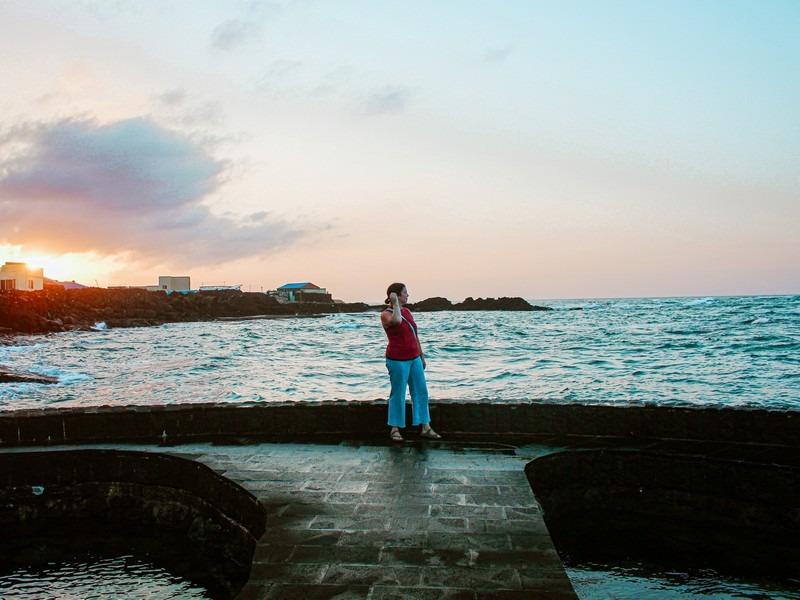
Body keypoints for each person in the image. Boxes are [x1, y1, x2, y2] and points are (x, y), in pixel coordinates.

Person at [380, 282, 441, 442]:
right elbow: (397, 321)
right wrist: (394, 303)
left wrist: (421, 355)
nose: (408, 295)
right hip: (397, 360)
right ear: (396, 295)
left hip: (414, 358)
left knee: (421, 391)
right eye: (405, 292)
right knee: (398, 394)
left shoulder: (407, 311)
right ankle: (395, 428)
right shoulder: (386, 314)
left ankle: (425, 426)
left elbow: (415, 334)